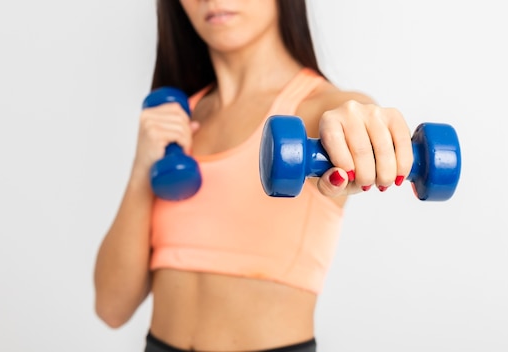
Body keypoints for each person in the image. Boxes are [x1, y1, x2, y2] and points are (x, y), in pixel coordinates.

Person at [94, 0, 414, 351]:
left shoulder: (316, 109)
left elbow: (353, 116)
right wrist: (143, 167)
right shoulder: (178, 120)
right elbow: (111, 307)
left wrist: (364, 128)